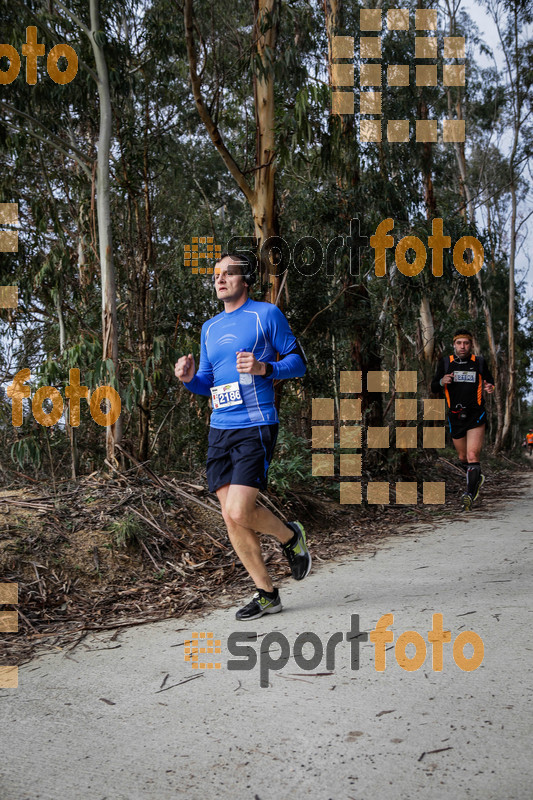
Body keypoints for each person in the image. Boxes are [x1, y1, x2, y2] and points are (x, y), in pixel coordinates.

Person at [175, 253, 311, 620]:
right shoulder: (209, 328)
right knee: (231, 517)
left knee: (239, 509)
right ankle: (267, 593)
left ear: (244, 280)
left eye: (228, 273)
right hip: (220, 427)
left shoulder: (265, 314)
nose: (220, 279)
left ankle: (289, 536)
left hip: (256, 422)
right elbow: (208, 383)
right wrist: (189, 378)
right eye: (216, 274)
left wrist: (266, 366)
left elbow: (298, 362)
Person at [431, 329, 495, 510]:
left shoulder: (479, 363)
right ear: (454, 345)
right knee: (462, 456)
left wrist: (490, 387)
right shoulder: (445, 363)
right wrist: (442, 381)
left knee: (472, 455)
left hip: (476, 414)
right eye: (459, 343)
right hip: (455, 416)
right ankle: (477, 477)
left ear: (471, 344)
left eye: (466, 343)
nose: (462, 346)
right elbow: (434, 386)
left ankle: (469, 493)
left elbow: (490, 381)